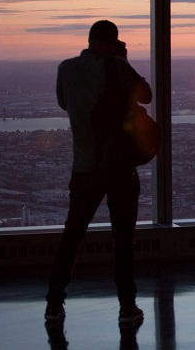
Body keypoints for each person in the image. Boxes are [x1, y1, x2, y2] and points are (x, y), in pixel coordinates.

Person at [45, 20, 152, 325]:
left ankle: (54, 303)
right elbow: (145, 95)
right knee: (123, 238)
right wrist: (121, 62)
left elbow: (65, 104)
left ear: (89, 39)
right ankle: (127, 307)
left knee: (72, 235)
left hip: (84, 165)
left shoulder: (65, 69)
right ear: (113, 43)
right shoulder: (118, 68)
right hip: (119, 166)